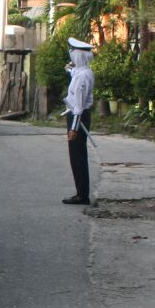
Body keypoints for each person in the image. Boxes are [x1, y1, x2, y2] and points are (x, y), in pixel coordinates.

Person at [63, 37, 95, 205]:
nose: (71, 55)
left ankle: (82, 195)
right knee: (78, 156)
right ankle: (81, 192)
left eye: (73, 52)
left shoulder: (82, 77)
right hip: (80, 115)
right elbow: (74, 73)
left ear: (79, 55)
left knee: (77, 157)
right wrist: (69, 70)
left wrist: (74, 128)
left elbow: (79, 106)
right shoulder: (84, 72)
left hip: (78, 117)